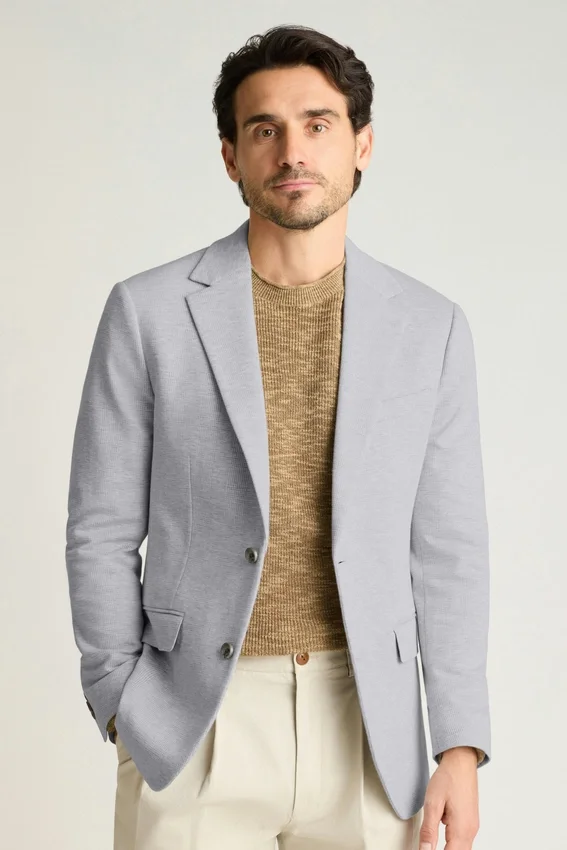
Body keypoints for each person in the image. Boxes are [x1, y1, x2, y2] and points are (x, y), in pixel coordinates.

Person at [66, 24, 490, 850]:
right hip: (194, 723)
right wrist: (121, 701)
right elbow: (100, 528)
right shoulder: (147, 313)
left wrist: (459, 744)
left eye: (317, 124)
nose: (292, 151)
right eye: (264, 129)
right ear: (231, 156)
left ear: (361, 144)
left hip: (369, 729)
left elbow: (449, 549)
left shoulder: (430, 327)